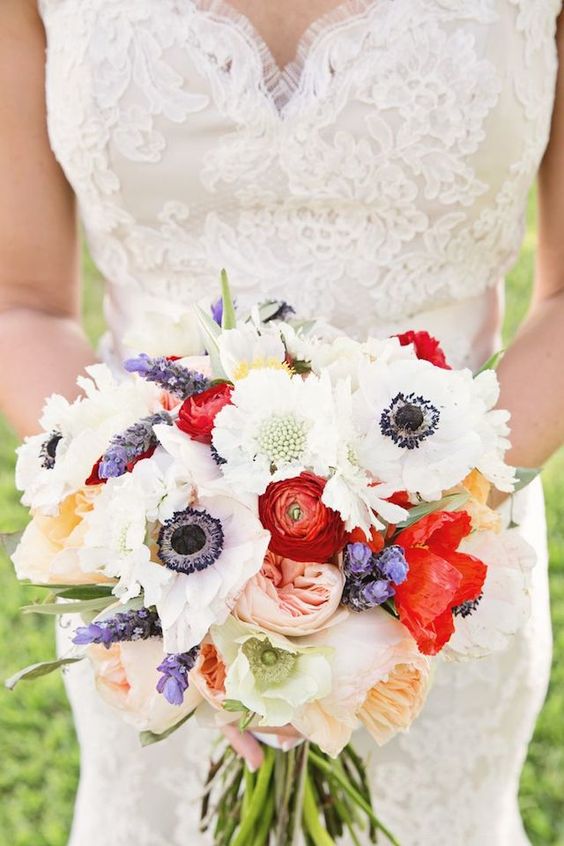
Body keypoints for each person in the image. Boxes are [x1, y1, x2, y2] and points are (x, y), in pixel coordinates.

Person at [1, 1, 563, 843]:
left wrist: (404, 540)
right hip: (156, 578)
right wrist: (163, 529)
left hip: (453, 560)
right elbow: (21, 301)